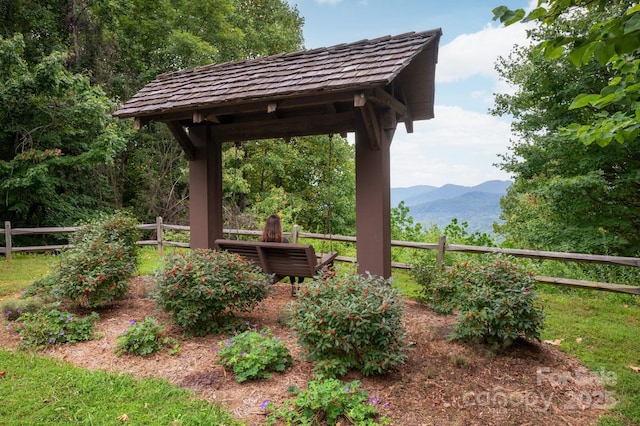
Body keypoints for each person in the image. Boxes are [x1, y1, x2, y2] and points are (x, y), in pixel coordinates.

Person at [260, 214, 304, 294]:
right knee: (298, 264)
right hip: (283, 269)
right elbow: (288, 258)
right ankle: (295, 285)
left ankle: (294, 286)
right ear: (278, 227)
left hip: (269, 268)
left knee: (290, 264)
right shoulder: (284, 241)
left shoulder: (262, 242)